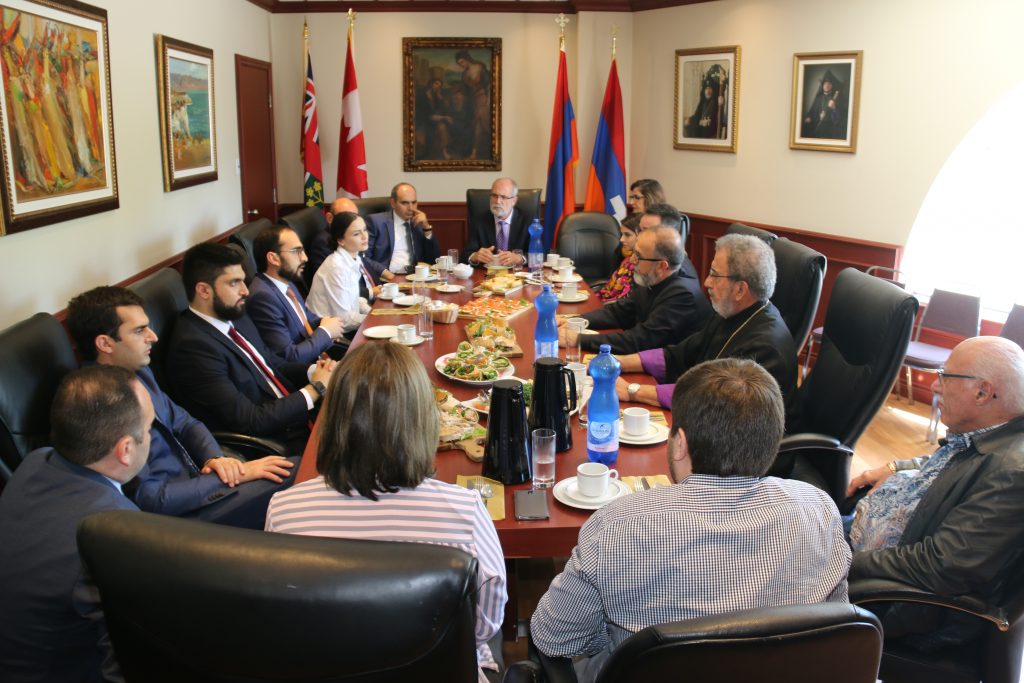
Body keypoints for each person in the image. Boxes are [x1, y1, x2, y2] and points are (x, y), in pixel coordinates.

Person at [530, 358, 850, 683]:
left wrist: (613, 636)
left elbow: (554, 637)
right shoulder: (819, 510)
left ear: (680, 443)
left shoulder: (616, 526)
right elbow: (833, 628)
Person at [266, 343, 507, 681]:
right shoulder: (465, 512)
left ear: (332, 418)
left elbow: (283, 613)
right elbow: (486, 622)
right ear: (424, 419)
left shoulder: (284, 510)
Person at [67, 285, 298, 528]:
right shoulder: (99, 406)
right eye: (139, 330)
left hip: (203, 480)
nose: (153, 337)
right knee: (297, 473)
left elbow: (186, 423)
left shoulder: (140, 372)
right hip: (183, 518)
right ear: (105, 343)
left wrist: (215, 459)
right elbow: (152, 499)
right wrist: (233, 476)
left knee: (298, 467)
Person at [847, 336, 1024, 649]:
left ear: (983, 392)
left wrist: (844, 562)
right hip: (874, 551)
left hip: (894, 603)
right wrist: (897, 467)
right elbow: (955, 462)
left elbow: (940, 566)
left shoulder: (1011, 474)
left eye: (946, 376)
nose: (934, 385)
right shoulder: (990, 435)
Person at [0, 365, 154, 683]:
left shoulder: (37, 461)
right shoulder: (115, 534)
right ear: (126, 450)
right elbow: (128, 665)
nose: (150, 438)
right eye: (149, 428)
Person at [612, 234, 798, 430]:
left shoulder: (765, 348)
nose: (707, 282)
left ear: (740, 290)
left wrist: (633, 390)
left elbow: (711, 401)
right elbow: (678, 356)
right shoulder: (730, 313)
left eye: (714, 274)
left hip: (743, 442)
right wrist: (617, 362)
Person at [167, 243, 334, 452]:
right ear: (204, 290)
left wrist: (317, 371)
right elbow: (250, 420)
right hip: (275, 442)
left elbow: (271, 363)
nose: (245, 291)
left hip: (295, 414)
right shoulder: (192, 348)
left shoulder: (235, 314)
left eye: (243, 281)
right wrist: (315, 389)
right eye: (234, 283)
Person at [559, 219, 711, 355]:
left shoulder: (682, 295)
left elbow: (639, 341)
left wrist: (578, 339)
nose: (632, 260)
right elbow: (618, 313)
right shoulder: (651, 277)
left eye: (638, 256)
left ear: (661, 266)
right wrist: (574, 321)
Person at [247, 225, 347, 364]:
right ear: (274, 258)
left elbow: (306, 320)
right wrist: (326, 331)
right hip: (305, 371)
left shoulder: (287, 283)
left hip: (321, 357)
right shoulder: (262, 297)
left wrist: (327, 323)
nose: (305, 258)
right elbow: (289, 357)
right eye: (296, 251)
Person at [307, 212, 382, 336]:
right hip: (331, 336)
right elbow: (344, 320)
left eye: (364, 230)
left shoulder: (354, 258)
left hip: (348, 326)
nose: (365, 237)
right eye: (356, 234)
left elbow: (353, 299)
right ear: (341, 241)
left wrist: (375, 312)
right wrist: (376, 318)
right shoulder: (337, 268)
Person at [365, 183, 440, 274]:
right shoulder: (376, 222)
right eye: (404, 203)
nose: (411, 208)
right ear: (393, 203)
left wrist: (427, 228)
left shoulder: (419, 223)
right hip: (387, 277)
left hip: (416, 276)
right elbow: (363, 257)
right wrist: (383, 272)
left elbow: (433, 259)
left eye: (414, 202)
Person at [464, 177, 530, 266]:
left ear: (514, 201)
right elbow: (465, 255)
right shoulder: (478, 221)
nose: (498, 201)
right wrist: (474, 256)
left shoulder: (528, 220)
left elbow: (539, 255)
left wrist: (519, 258)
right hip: (487, 272)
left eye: (503, 197)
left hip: (516, 272)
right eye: (494, 196)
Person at [595, 214, 642, 303]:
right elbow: (608, 291)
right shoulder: (628, 259)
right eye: (621, 234)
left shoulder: (641, 265)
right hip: (604, 303)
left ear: (641, 235)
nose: (621, 239)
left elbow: (624, 302)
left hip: (611, 307)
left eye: (627, 235)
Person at [684, 64, 728, 139]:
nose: (708, 91)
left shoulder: (715, 101)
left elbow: (719, 119)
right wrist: (690, 120)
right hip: (701, 131)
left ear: (713, 90)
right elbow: (697, 115)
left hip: (710, 133)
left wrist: (721, 104)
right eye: (706, 89)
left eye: (710, 88)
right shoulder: (703, 101)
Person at [801, 69, 847, 139]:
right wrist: (810, 118)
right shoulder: (818, 98)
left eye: (829, 84)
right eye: (825, 83)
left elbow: (840, 119)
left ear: (832, 86)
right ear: (822, 85)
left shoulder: (836, 99)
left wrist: (834, 108)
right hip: (817, 127)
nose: (827, 85)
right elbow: (812, 112)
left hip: (830, 130)